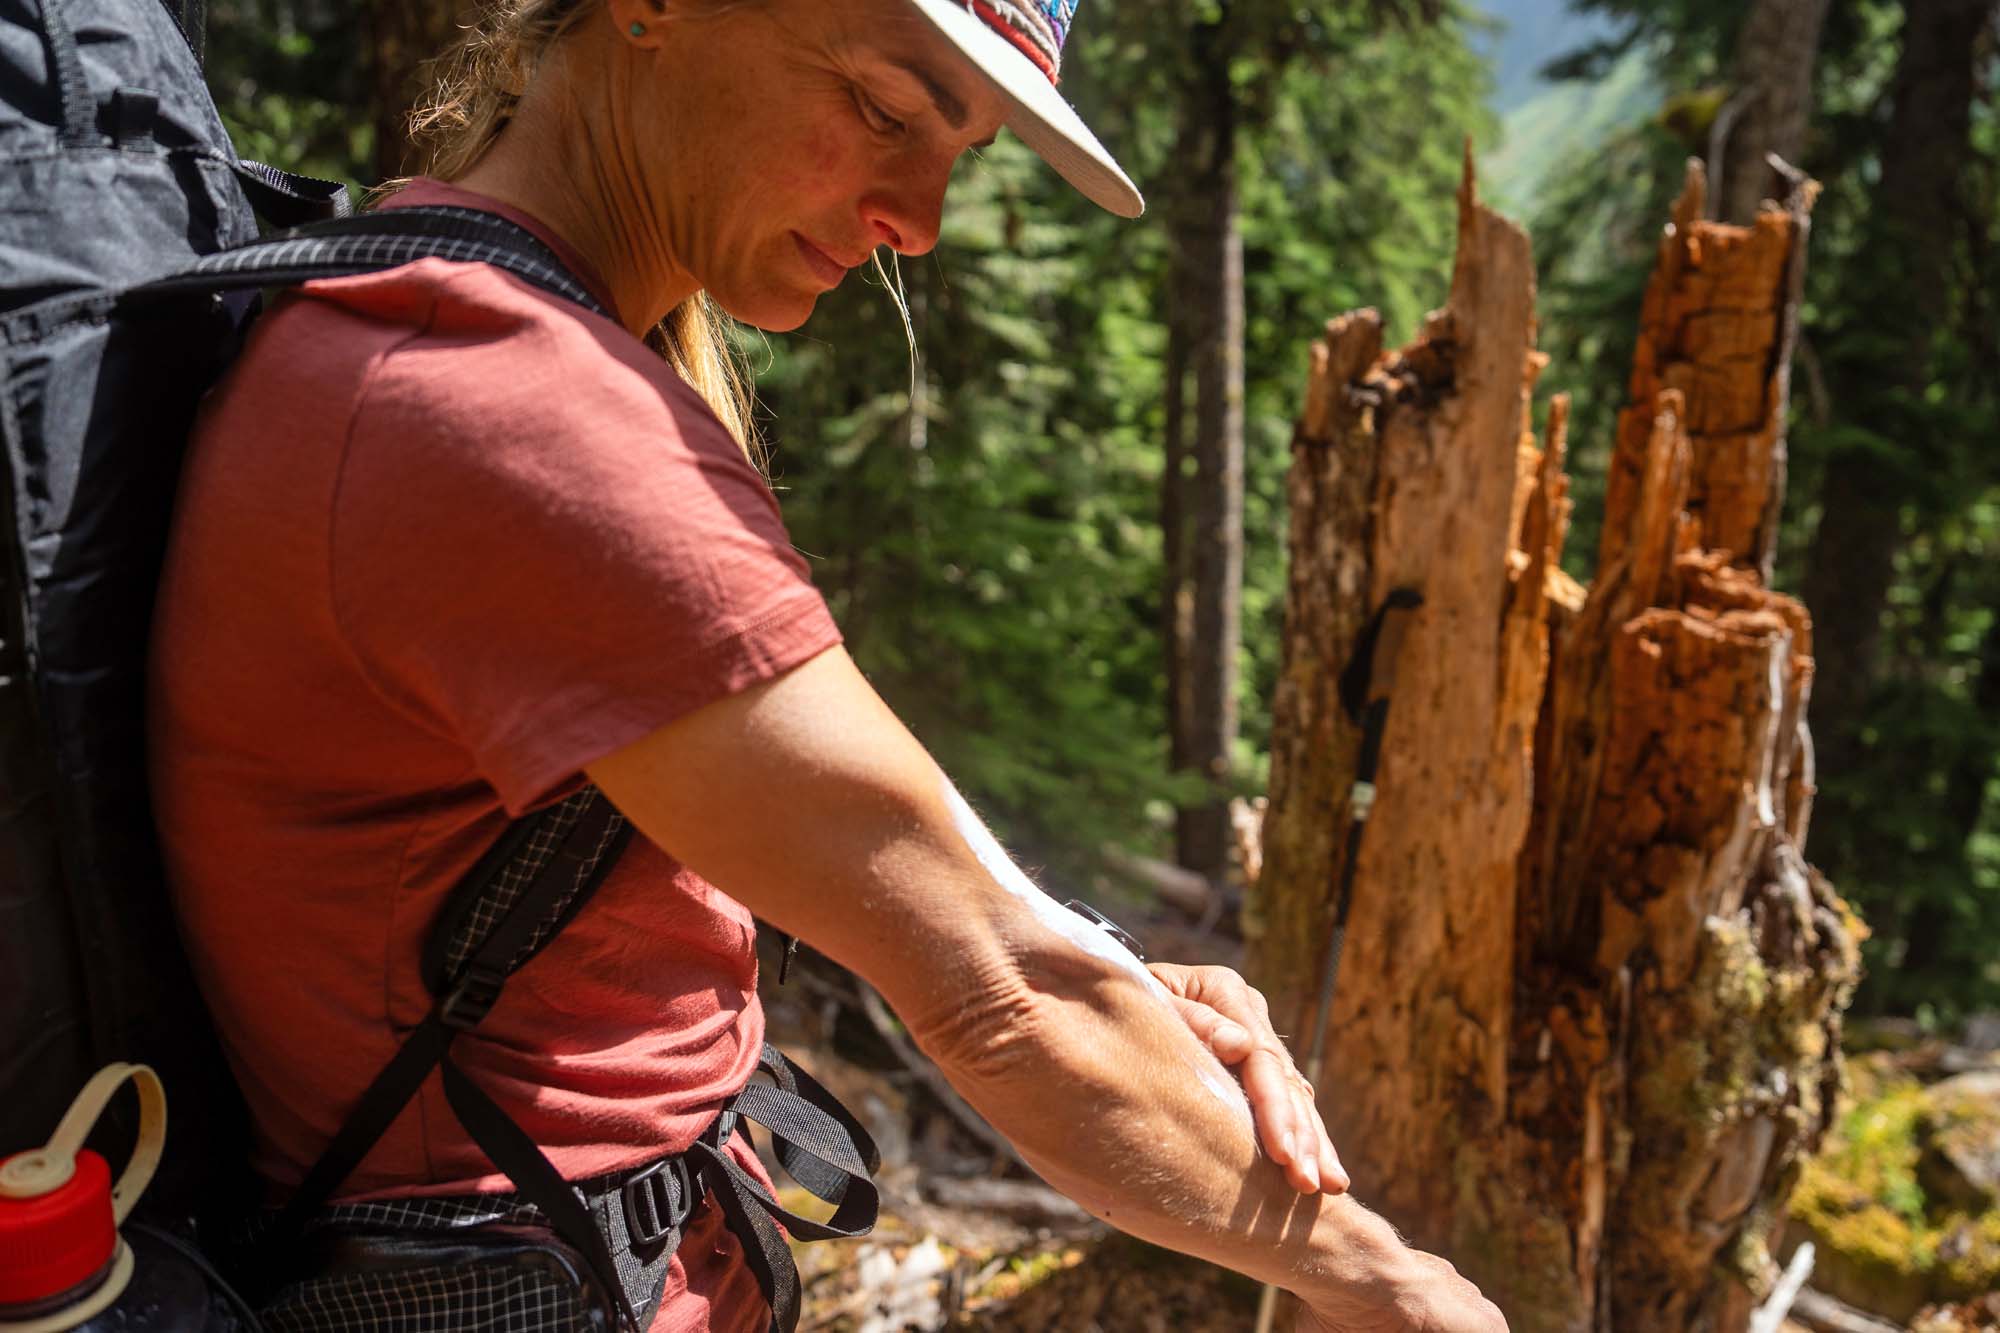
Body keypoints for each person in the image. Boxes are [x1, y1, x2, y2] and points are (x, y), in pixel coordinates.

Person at [148, 0, 1509, 1328]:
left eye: (956, 152)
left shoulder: (433, 299)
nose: (915, 220)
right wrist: (1390, 1280)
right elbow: (997, 985)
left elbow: (894, 867)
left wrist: (1114, 977)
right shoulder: (523, 422)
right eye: (884, 108)